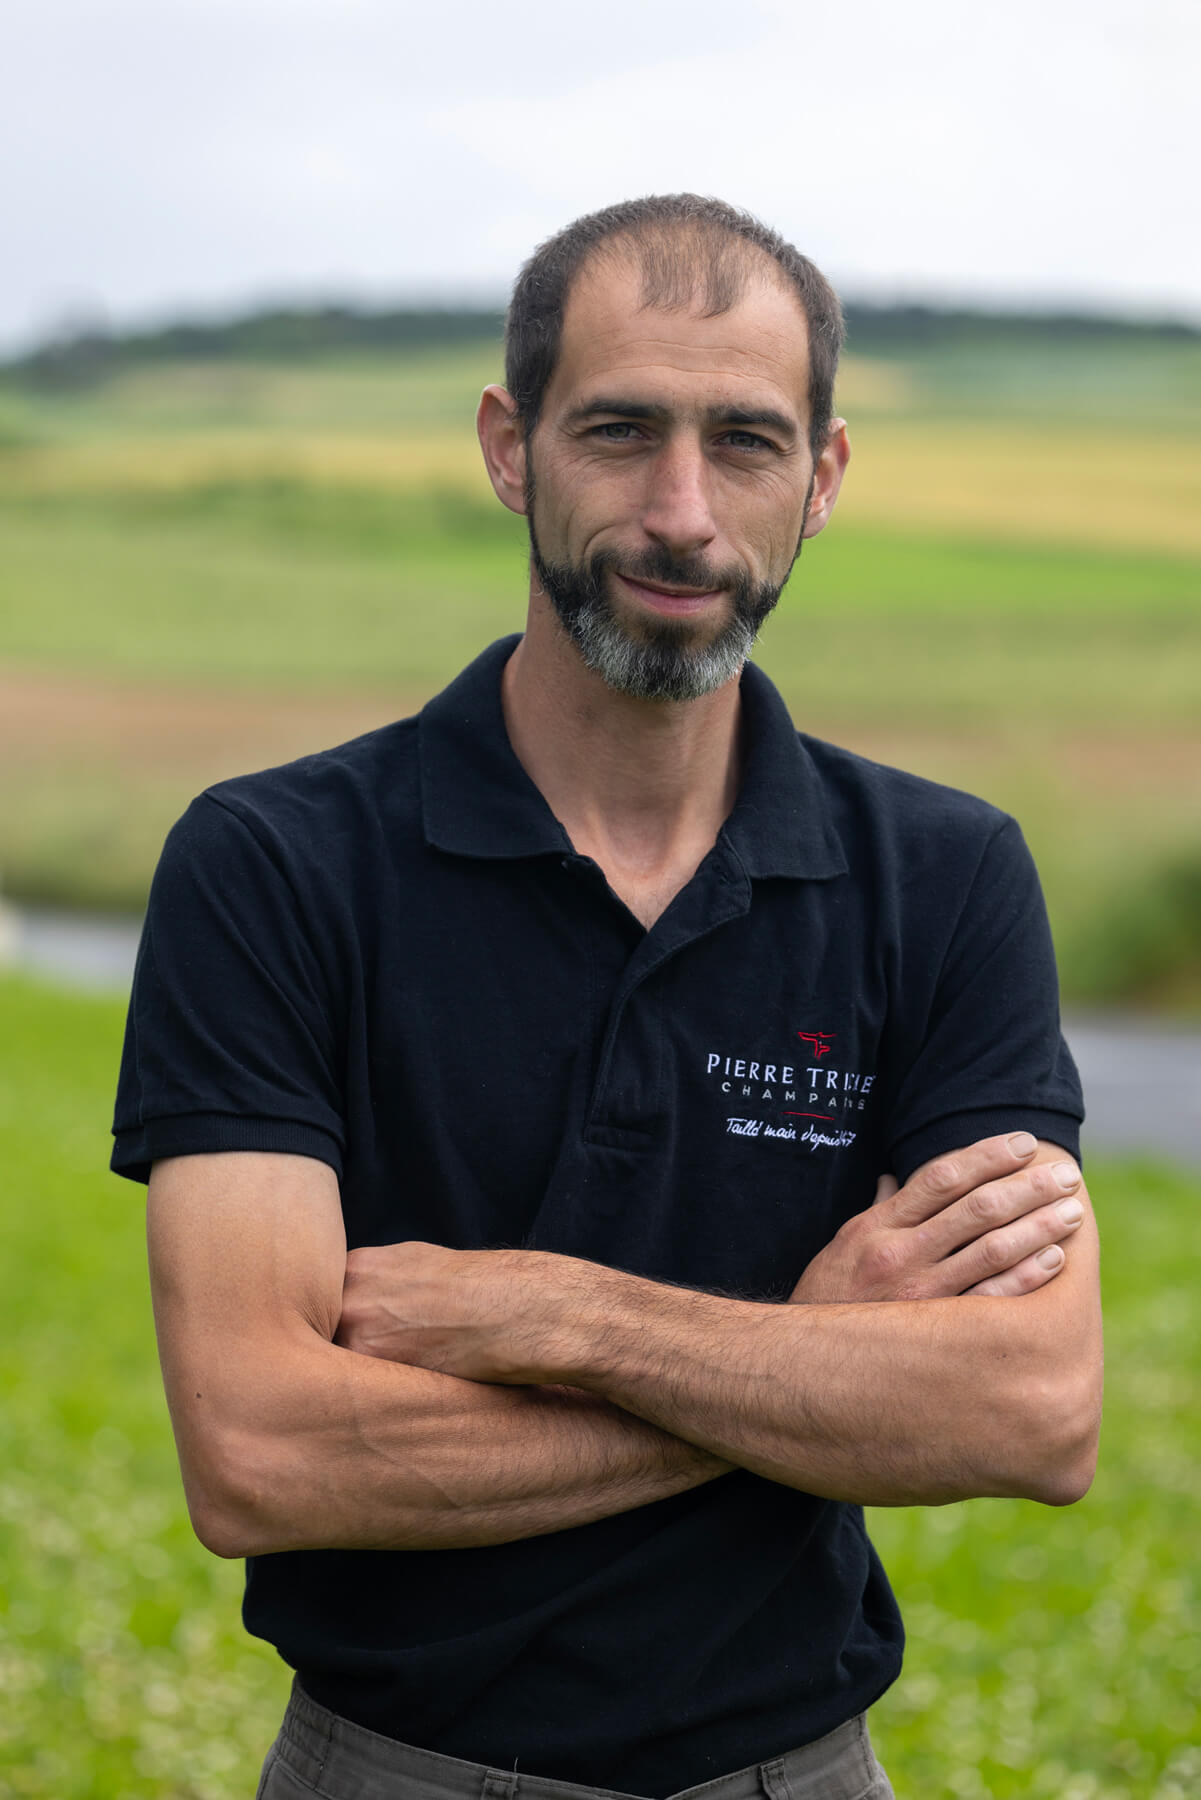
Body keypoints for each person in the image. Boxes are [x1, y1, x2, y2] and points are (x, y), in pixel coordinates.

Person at [112, 195, 1101, 1800]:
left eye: (747, 442)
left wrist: (559, 1321)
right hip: (395, 1770)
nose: (681, 514)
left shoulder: (944, 873)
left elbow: (1032, 1409)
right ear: (512, 448)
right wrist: (806, 1365)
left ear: (825, 477)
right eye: (619, 432)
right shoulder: (275, 865)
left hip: (800, 1771)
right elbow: (262, 1451)